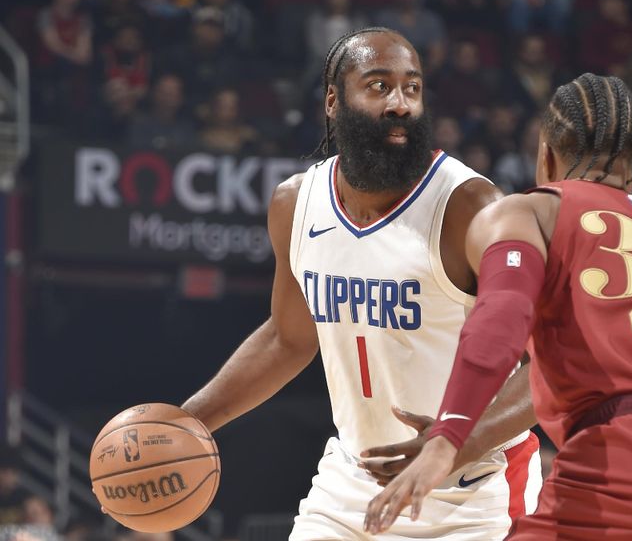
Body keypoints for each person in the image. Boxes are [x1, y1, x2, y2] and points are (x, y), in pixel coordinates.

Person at [365, 73, 632, 540]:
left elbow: (501, 322)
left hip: (630, 463)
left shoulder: (529, 212)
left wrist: (447, 439)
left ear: (545, 154)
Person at [181, 27, 541, 539]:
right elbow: (288, 339)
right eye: (378, 86)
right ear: (333, 100)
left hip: (472, 489)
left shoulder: (468, 206)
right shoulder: (295, 205)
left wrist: (452, 442)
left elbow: (550, 359)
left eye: (411, 88)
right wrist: (190, 422)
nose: (400, 104)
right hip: (352, 482)